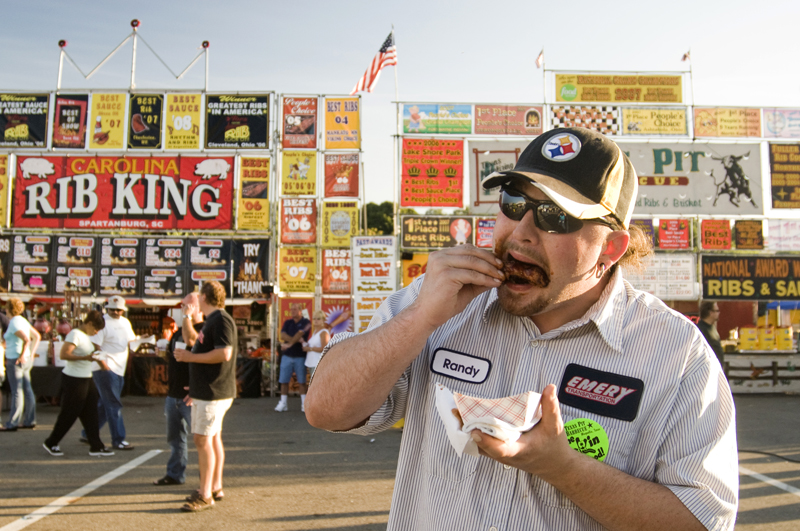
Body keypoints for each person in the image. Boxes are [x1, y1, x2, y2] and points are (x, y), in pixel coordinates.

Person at [306, 127, 739, 531]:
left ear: (611, 247)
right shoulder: (438, 300)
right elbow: (324, 409)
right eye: (514, 204)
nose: (522, 234)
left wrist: (563, 467)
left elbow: (705, 520)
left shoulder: (676, 353)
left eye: (555, 216)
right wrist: (419, 318)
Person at [174, 280, 237, 512]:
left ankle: (205, 494)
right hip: (209, 390)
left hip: (214, 392)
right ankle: (213, 487)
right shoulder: (214, 320)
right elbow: (195, 342)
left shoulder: (220, 319)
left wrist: (189, 358)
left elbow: (224, 353)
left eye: (199, 296)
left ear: (204, 298)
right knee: (211, 439)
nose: (196, 299)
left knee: (202, 439)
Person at [43, 310, 114, 457]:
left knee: (91, 413)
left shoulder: (86, 336)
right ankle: (51, 442)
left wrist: (104, 367)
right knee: (69, 413)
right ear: (88, 324)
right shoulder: (75, 334)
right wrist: (86, 358)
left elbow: (91, 354)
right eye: (95, 329)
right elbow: (64, 354)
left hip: (86, 377)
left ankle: (96, 445)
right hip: (74, 379)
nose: (96, 332)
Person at [153, 292, 204, 486]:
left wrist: (187, 318)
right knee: (175, 439)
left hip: (191, 396)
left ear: (198, 308)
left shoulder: (203, 330)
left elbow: (192, 341)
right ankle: (175, 474)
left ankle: (206, 483)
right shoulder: (176, 332)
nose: (182, 309)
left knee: (202, 440)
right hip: (173, 394)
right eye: (182, 306)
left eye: (187, 306)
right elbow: (175, 358)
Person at [82, 295, 137, 450]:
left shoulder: (125, 323)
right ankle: (118, 439)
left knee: (106, 404)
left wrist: (142, 340)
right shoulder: (103, 323)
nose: (116, 312)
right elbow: (95, 345)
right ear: (107, 308)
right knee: (113, 404)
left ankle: (88, 432)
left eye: (119, 310)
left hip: (119, 368)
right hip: (106, 368)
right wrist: (103, 364)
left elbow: (130, 341)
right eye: (113, 309)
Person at [2, 298, 40, 431]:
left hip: (15, 358)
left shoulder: (13, 322)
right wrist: (30, 354)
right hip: (25, 359)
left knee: (16, 391)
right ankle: (30, 420)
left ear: (9, 308)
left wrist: (23, 354)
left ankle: (12, 422)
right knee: (27, 390)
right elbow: (36, 336)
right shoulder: (23, 320)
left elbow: (26, 338)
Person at [275, 303, 311, 412]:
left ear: (300, 310)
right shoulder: (287, 322)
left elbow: (300, 334)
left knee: (301, 381)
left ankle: (304, 404)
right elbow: (282, 335)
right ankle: (283, 403)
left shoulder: (306, 322)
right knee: (284, 380)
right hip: (287, 356)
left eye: (295, 309)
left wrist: (289, 344)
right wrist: (294, 340)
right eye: (291, 309)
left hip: (300, 356)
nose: (292, 311)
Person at [303, 311, 331, 379]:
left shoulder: (324, 332)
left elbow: (325, 348)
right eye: (314, 318)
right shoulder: (315, 332)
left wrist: (309, 349)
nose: (316, 321)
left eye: (318, 319)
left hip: (318, 364)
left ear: (323, 320)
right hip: (311, 363)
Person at [698, 301, 724, 366]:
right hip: (708, 367)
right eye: (717, 311)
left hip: (716, 367)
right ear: (711, 312)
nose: (719, 313)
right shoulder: (701, 329)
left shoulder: (712, 328)